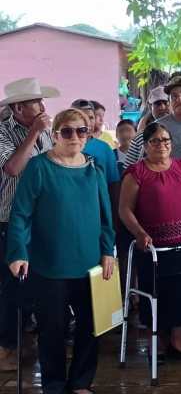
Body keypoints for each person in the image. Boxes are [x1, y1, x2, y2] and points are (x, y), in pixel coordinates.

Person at [6, 108, 115, 394]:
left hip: (90, 263)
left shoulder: (94, 168)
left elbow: (106, 216)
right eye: (67, 131)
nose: (74, 136)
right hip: (50, 263)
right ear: (55, 135)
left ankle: (80, 382)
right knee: (52, 328)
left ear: (88, 135)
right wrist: (18, 252)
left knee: (91, 325)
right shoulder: (38, 167)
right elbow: (21, 214)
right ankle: (54, 385)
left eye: (81, 131)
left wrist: (108, 251)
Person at [119, 122, 181, 362]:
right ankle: (157, 341)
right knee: (155, 292)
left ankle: (179, 338)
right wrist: (139, 233)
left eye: (165, 140)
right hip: (153, 247)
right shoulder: (136, 172)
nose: (161, 145)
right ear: (145, 146)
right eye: (155, 141)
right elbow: (124, 209)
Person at [0, 77, 57, 371]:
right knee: (12, 287)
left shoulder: (46, 132)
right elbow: (13, 168)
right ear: (19, 107)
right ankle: (6, 348)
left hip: (41, 218)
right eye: (36, 102)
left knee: (34, 285)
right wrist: (34, 133)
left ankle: (24, 340)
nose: (43, 107)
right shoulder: (3, 132)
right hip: (10, 220)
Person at [125, 75, 181, 171]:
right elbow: (145, 164)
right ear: (170, 100)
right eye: (174, 96)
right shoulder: (157, 127)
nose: (179, 99)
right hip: (166, 179)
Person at [71, 99, 121, 191]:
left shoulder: (104, 148)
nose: (87, 122)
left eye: (91, 117)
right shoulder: (64, 148)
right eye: (82, 117)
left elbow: (114, 184)